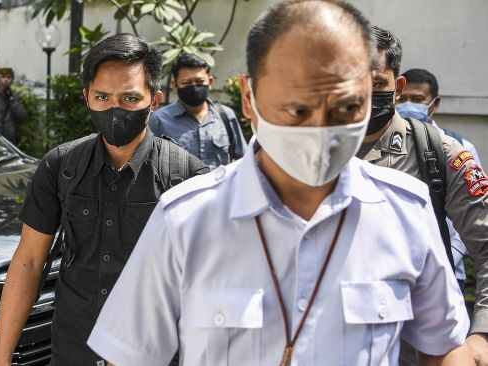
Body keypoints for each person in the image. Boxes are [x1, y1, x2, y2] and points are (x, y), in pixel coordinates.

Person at [87, 1, 472, 365]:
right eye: (298, 108)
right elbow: (127, 356)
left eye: (347, 107)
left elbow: (442, 347)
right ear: (250, 98)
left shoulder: (406, 210)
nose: (324, 127)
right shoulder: (184, 220)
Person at [0, 34, 209, 366]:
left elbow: (203, 283)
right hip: (73, 349)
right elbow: (29, 262)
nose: (114, 108)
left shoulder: (186, 176)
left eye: (130, 97)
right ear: (86, 97)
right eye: (102, 96)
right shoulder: (60, 166)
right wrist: (1, 357)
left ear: (155, 100)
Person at [358, 26, 488, 365]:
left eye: (376, 85)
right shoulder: (309, 154)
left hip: (417, 349)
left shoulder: (438, 153)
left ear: (398, 88)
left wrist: (482, 335)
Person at [399, 67, 484, 293]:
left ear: (434, 104)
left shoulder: (458, 147)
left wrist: (450, 255)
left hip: (448, 273)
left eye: (417, 99)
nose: (408, 105)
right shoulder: (388, 144)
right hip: (396, 274)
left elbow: (474, 214)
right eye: (402, 98)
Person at [148, 53, 246, 169]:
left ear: (210, 81)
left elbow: (242, 160)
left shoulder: (226, 116)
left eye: (199, 82)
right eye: (187, 83)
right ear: (174, 85)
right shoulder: (158, 120)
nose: (194, 87)